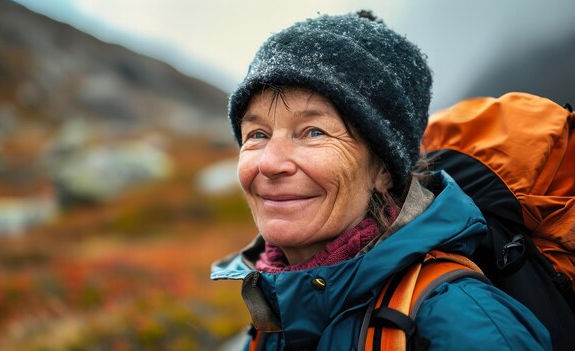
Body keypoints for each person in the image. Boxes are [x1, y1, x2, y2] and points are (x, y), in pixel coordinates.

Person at [211, 11, 551, 350]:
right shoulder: (276, 305)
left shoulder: (464, 324)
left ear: (384, 170)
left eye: (313, 132)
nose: (270, 163)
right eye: (257, 134)